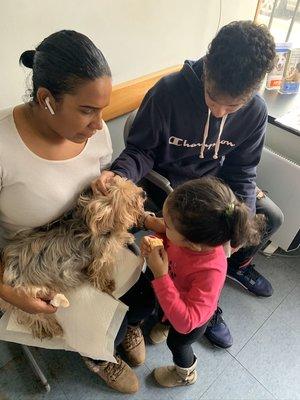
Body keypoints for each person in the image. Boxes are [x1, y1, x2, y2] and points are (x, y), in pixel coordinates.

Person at [97, 21, 284, 348]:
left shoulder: (255, 111)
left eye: (233, 106)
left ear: (251, 94)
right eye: (213, 97)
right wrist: (121, 173)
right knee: (202, 244)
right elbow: (141, 150)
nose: (219, 111)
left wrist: (240, 221)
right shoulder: (168, 93)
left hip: (217, 190)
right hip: (169, 186)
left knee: (268, 218)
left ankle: (227, 275)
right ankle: (193, 301)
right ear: (207, 69)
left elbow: (243, 171)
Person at [0, 30, 154, 394]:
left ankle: (124, 329)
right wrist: (6, 290)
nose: (99, 124)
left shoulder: (93, 134)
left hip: (87, 237)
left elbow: (99, 178)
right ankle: (99, 356)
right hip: (33, 260)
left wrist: (107, 185)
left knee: (144, 288)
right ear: (46, 99)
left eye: (102, 109)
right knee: (83, 316)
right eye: (86, 110)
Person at [140, 177, 264, 387]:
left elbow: (186, 321)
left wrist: (160, 275)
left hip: (189, 321)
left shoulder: (211, 271)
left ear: (193, 244)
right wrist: (153, 226)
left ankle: (185, 375)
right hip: (172, 296)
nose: (163, 224)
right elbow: (169, 237)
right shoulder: (192, 237)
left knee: (177, 344)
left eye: (168, 224)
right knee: (164, 314)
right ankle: (164, 323)